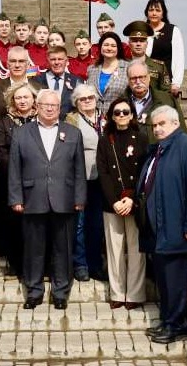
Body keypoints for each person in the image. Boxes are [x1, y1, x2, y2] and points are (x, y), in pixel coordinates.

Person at [137, 106, 187, 344]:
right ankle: (167, 321)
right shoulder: (159, 149)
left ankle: (177, 325)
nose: (157, 129)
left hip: (178, 229)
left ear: (175, 123)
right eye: (154, 125)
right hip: (160, 229)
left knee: (176, 281)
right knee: (165, 281)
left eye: (162, 124)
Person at [8, 89, 87, 310]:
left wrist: (80, 197)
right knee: (33, 249)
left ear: (60, 108)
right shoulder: (21, 133)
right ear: (37, 107)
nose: (50, 109)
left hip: (65, 198)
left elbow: (79, 169)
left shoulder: (73, 133)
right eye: (46, 105)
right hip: (32, 198)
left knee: (63, 249)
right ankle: (34, 292)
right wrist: (16, 198)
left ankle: (61, 292)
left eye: (55, 105)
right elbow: (14, 168)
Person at [96, 98, 148, 309]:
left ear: (132, 115)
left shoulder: (142, 137)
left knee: (136, 250)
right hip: (112, 204)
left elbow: (144, 171)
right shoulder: (105, 140)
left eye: (126, 112)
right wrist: (114, 201)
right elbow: (103, 172)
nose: (121, 115)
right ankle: (117, 292)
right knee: (114, 249)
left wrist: (132, 198)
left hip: (134, 202)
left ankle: (135, 294)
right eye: (117, 112)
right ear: (111, 116)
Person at [0, 82, 40, 277]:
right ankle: (17, 265)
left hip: (38, 181)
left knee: (37, 225)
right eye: (18, 97)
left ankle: (38, 266)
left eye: (26, 97)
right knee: (14, 224)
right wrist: (17, 168)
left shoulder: (41, 119)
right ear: (12, 100)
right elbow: (0, 149)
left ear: (33, 99)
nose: (22, 101)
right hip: (13, 180)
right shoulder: (6, 122)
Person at [65, 84, 106, 282]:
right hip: (80, 178)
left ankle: (95, 264)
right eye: (82, 99)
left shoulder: (106, 117)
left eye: (90, 97)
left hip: (102, 179)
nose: (87, 101)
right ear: (76, 102)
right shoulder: (72, 120)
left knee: (97, 223)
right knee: (79, 224)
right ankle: (80, 264)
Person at [0, 46, 43, 120]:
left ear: (28, 65)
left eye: (21, 61)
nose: (17, 65)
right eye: (13, 61)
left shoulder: (40, 89)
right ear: (7, 64)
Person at [144, 0, 185, 98]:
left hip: (165, 81)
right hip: (144, 80)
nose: (154, 13)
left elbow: (179, 58)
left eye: (157, 10)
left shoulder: (173, 30)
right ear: (147, 13)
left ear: (163, 14)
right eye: (151, 10)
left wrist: (176, 83)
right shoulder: (142, 30)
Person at [126, 60, 175, 143]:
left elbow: (179, 132)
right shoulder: (120, 103)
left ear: (149, 78)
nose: (138, 82)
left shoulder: (166, 100)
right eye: (133, 78)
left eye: (141, 77)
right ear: (128, 80)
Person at [33, 45, 82, 116]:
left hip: (68, 122)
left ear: (66, 61)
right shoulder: (36, 80)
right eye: (53, 59)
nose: (56, 62)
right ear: (48, 61)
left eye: (60, 59)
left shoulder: (76, 81)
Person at [87, 32, 129, 114]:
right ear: (100, 47)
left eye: (113, 46)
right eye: (106, 45)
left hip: (119, 116)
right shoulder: (92, 69)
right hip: (95, 117)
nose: (109, 48)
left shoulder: (128, 68)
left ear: (118, 48)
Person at [123, 20, 171, 93]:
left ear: (147, 43)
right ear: (129, 43)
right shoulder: (121, 65)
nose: (138, 44)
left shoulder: (159, 66)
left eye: (142, 41)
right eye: (135, 41)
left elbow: (166, 92)